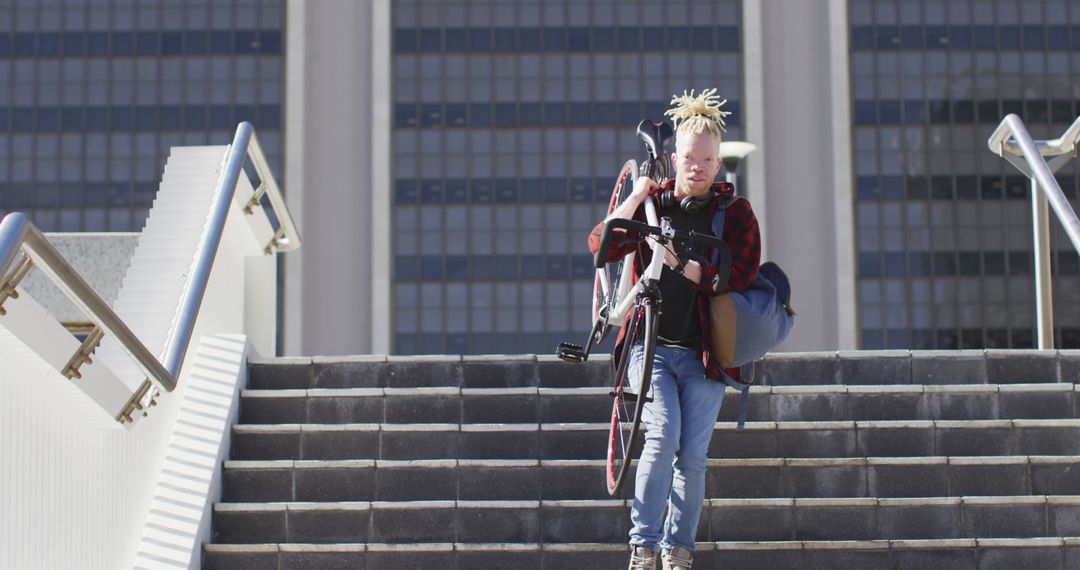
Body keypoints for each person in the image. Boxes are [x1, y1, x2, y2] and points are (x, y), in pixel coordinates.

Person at [588, 89, 762, 570]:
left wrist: (687, 267)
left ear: (719, 162)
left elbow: (740, 275)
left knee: (693, 457)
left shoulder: (737, 215)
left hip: (708, 356)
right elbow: (601, 246)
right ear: (675, 158)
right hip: (654, 349)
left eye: (708, 159)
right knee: (662, 436)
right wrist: (637, 197)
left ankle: (678, 552)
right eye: (689, 158)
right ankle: (643, 547)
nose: (698, 167)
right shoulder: (656, 205)